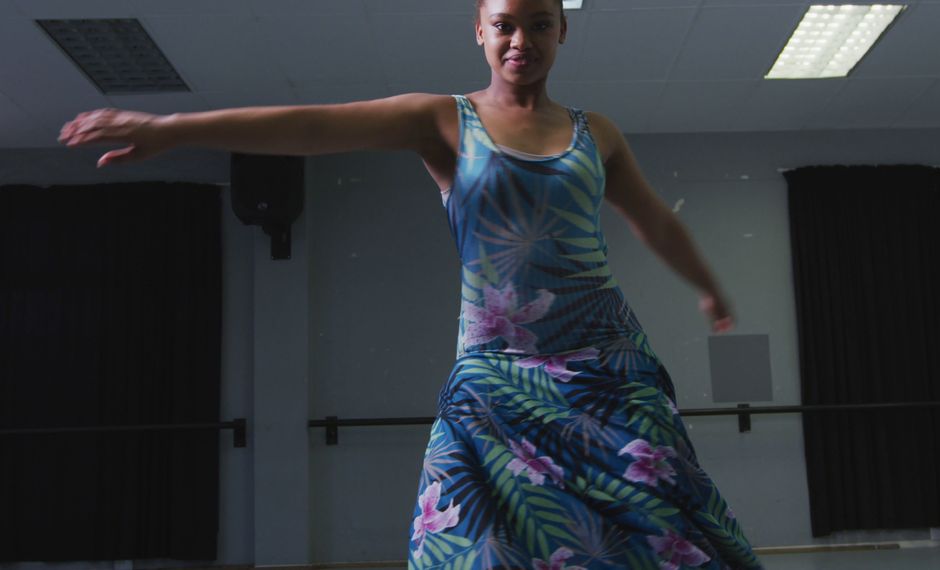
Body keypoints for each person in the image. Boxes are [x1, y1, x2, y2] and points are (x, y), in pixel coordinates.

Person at [59, 0, 764, 567]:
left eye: (540, 25)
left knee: (662, 526)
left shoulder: (595, 132)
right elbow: (314, 127)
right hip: (494, 377)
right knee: (462, 537)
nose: (522, 40)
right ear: (480, 33)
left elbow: (652, 222)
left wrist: (708, 287)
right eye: (505, 26)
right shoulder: (443, 120)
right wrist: (174, 128)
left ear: (562, 31)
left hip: (606, 368)